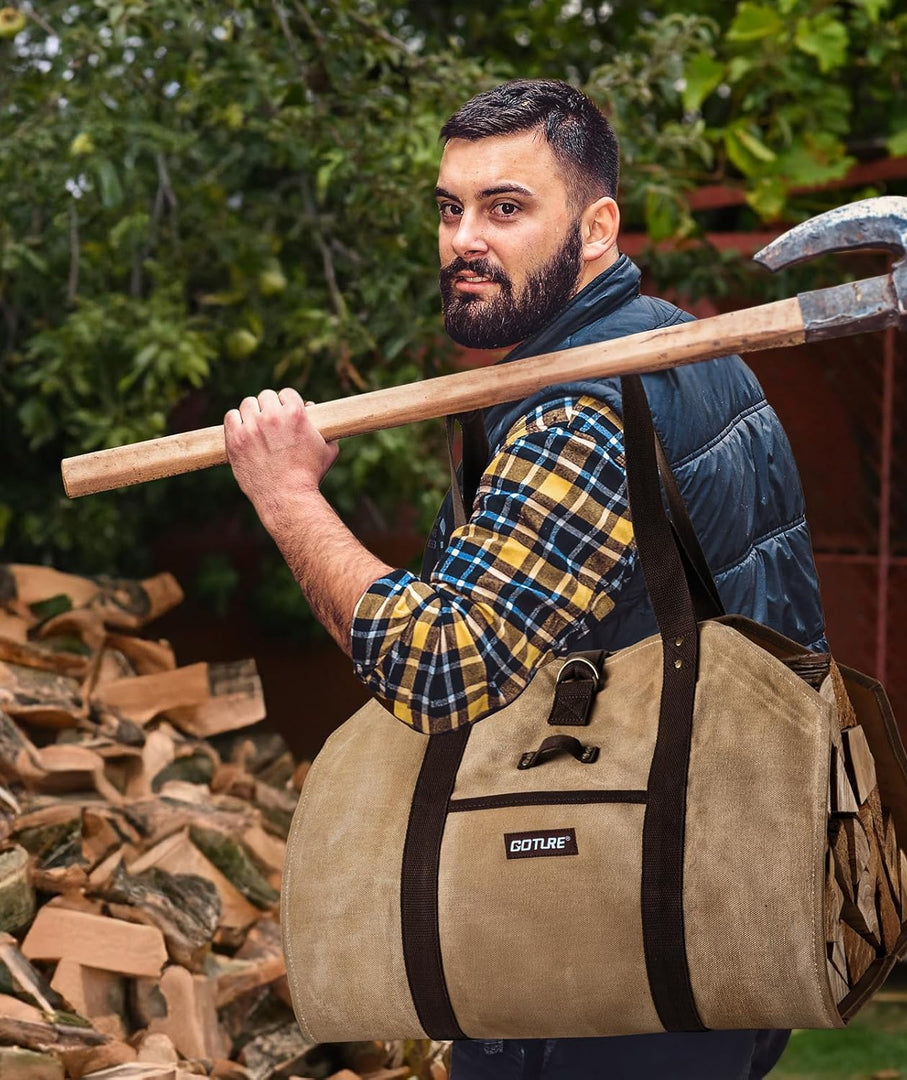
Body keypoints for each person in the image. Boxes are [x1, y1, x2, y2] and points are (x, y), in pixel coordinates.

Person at [224, 79, 827, 1080]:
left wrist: (288, 499)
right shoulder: (689, 351)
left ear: (596, 226)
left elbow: (440, 665)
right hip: (725, 903)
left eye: (507, 208)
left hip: (610, 933)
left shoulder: (575, 408)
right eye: (450, 207)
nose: (466, 238)